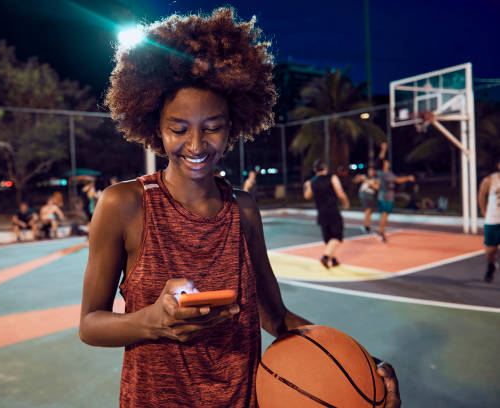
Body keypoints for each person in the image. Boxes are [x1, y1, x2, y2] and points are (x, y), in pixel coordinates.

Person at [78, 8, 400, 408]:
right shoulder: (124, 205)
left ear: (233, 128)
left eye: (212, 127)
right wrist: (152, 321)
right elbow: (91, 324)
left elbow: (275, 317)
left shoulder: (242, 209)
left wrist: (368, 368)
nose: (196, 145)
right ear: (156, 129)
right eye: (179, 129)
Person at [304, 160, 350, 268]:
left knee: (328, 238)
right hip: (333, 211)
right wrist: (346, 203)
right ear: (325, 168)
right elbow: (340, 192)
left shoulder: (313, 181)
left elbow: (307, 195)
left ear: (315, 170)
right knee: (337, 237)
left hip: (321, 213)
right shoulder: (332, 177)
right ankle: (325, 257)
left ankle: (333, 259)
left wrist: (306, 185)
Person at [375, 142, 415, 242]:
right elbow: (398, 180)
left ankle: (381, 231)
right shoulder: (385, 173)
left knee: (384, 215)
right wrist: (408, 178)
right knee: (385, 214)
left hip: (383, 196)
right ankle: (381, 232)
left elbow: (380, 159)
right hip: (386, 197)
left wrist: (383, 149)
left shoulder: (381, 173)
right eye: (386, 162)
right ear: (384, 165)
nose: (388, 162)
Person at [478, 157, 500, 283]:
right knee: (491, 251)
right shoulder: (490, 180)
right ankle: (491, 265)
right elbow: (481, 194)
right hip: (492, 220)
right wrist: (483, 210)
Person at [353, 166, 379, 233]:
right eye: (369, 171)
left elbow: (376, 187)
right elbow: (355, 181)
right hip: (364, 194)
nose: (370, 172)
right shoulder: (364, 176)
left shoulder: (376, 179)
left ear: (374, 172)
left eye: (372, 171)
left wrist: (367, 181)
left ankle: (368, 226)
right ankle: (365, 226)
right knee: (367, 210)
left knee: (370, 211)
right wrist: (359, 177)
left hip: (371, 195)